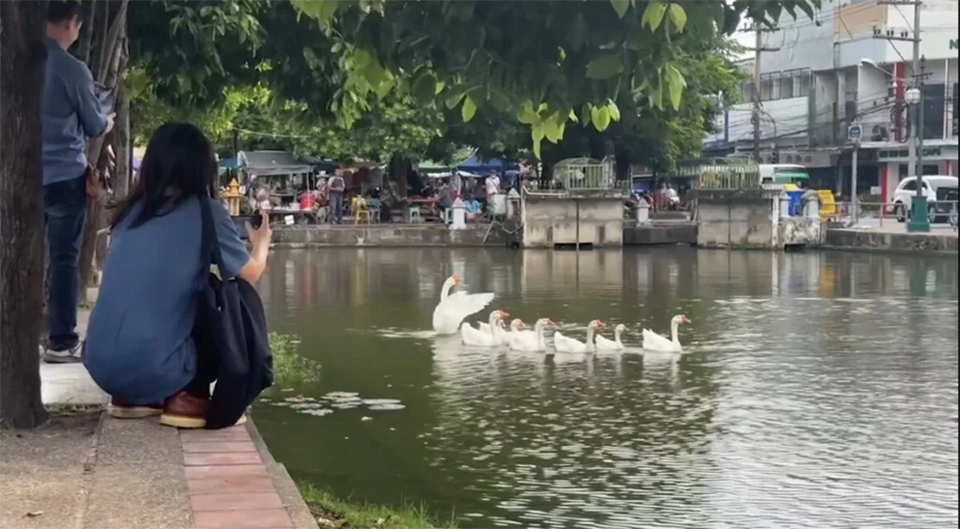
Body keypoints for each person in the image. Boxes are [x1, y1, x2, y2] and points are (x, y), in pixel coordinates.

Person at [83, 122, 272, 427]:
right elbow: (249, 274)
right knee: (221, 293)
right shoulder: (205, 210)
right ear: (203, 167)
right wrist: (261, 243)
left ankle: (134, 396)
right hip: (157, 368)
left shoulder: (129, 213)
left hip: (101, 367)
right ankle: (187, 394)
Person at [41, 1, 116, 363]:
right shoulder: (72, 70)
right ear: (71, 22)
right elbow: (93, 124)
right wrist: (108, 120)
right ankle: (60, 340)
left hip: (21, 178)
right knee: (64, 260)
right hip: (64, 177)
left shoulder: (16, 64)